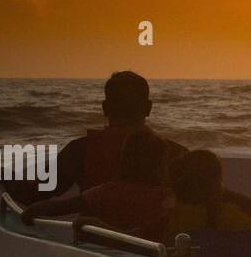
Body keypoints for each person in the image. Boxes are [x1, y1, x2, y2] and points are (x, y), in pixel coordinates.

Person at [14, 71, 186, 203]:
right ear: (148, 108)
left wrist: (5, 178)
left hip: (95, 242)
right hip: (153, 245)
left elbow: (34, 194)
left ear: (104, 108)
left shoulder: (80, 150)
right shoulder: (178, 154)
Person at [21, 129, 172, 242]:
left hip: (108, 254)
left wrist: (33, 210)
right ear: (159, 167)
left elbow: (59, 207)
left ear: (123, 162)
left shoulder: (106, 192)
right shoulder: (168, 197)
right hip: (148, 255)